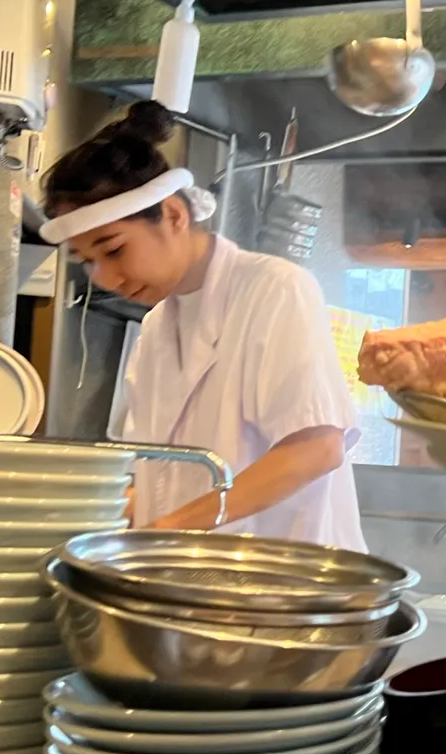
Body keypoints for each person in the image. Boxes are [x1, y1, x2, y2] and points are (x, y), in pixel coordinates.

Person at [38, 102, 365, 550]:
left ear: (174, 215)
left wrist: (168, 529)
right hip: (194, 575)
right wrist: (83, 520)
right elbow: (159, 479)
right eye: (88, 261)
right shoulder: (156, 328)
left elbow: (316, 448)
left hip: (281, 577)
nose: (106, 279)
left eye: (113, 251)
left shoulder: (274, 289)